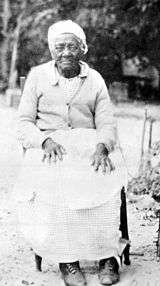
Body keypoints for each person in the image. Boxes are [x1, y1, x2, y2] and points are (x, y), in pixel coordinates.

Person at [15, 20, 127, 286]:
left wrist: (103, 146)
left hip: (90, 145)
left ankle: (108, 257)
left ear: (82, 49)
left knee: (105, 176)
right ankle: (68, 260)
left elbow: (107, 122)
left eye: (72, 46)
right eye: (60, 47)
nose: (66, 52)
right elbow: (23, 123)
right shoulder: (38, 76)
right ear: (52, 50)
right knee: (55, 182)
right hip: (49, 147)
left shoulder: (95, 78)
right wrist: (43, 142)